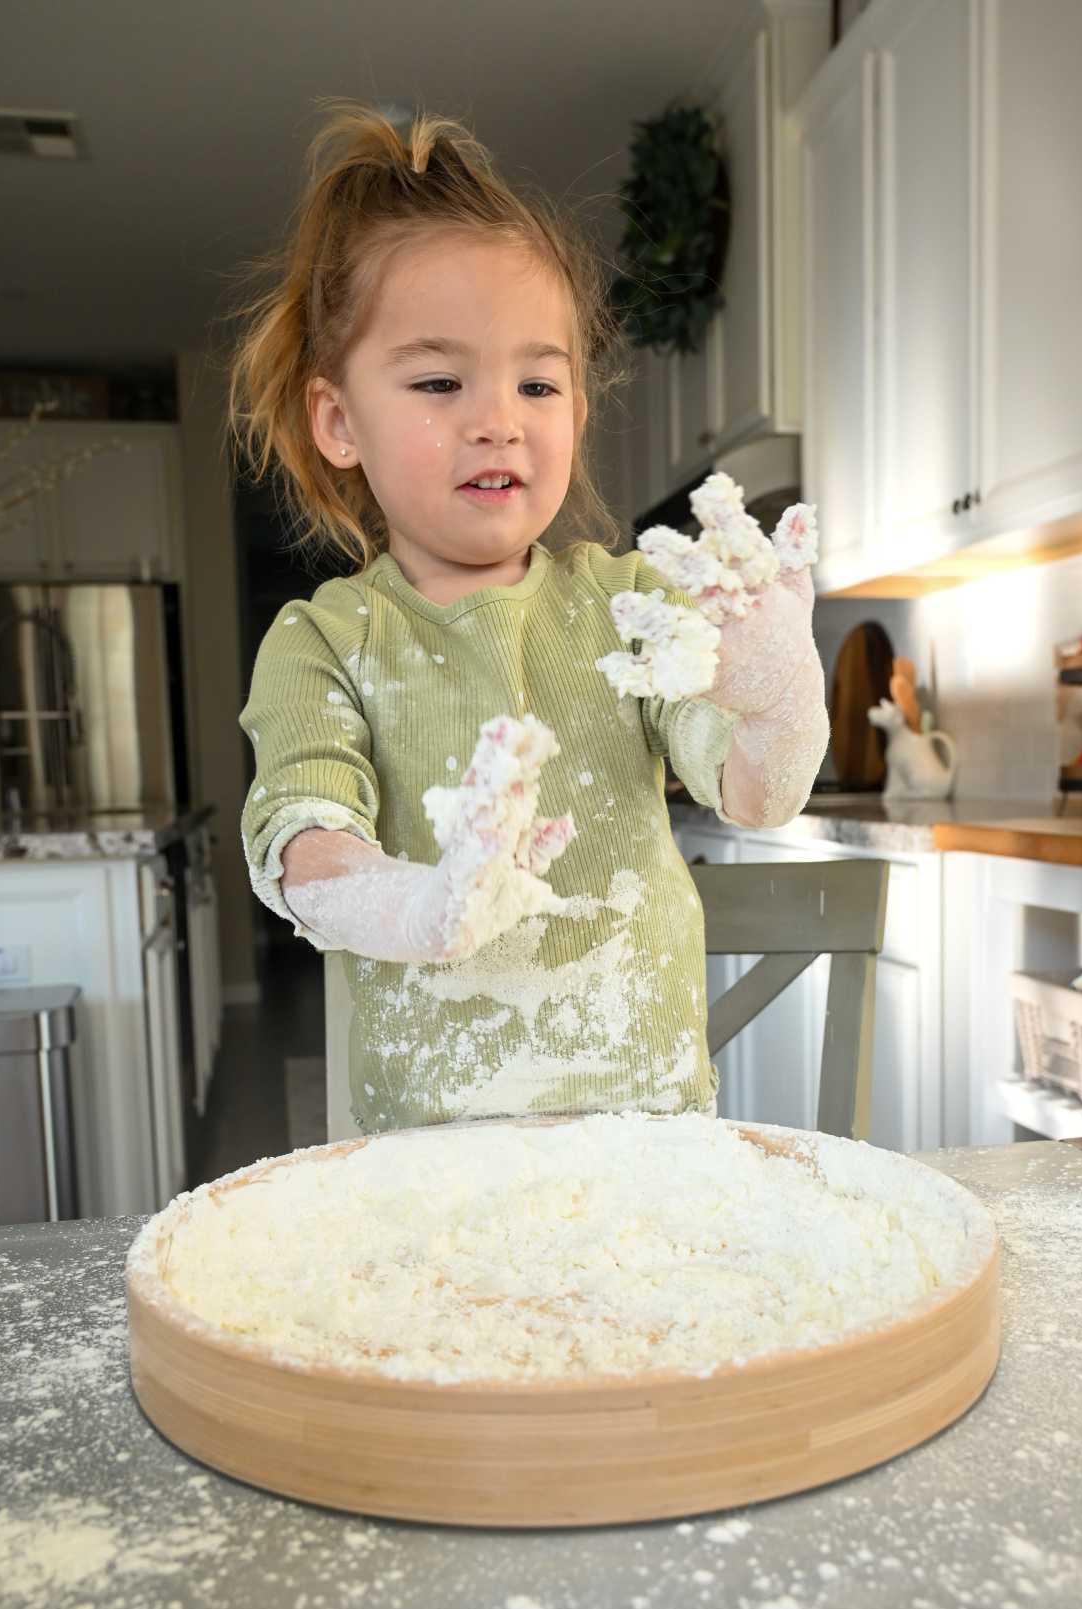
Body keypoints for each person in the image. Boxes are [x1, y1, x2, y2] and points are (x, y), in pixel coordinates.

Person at [228, 101, 829, 1134]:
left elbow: (755, 794)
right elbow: (302, 847)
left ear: (578, 409)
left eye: (538, 381)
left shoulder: (629, 602)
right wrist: (426, 907)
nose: (498, 417)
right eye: (438, 380)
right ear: (338, 421)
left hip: (652, 1145)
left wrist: (778, 699)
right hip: (428, 1166)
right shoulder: (325, 642)